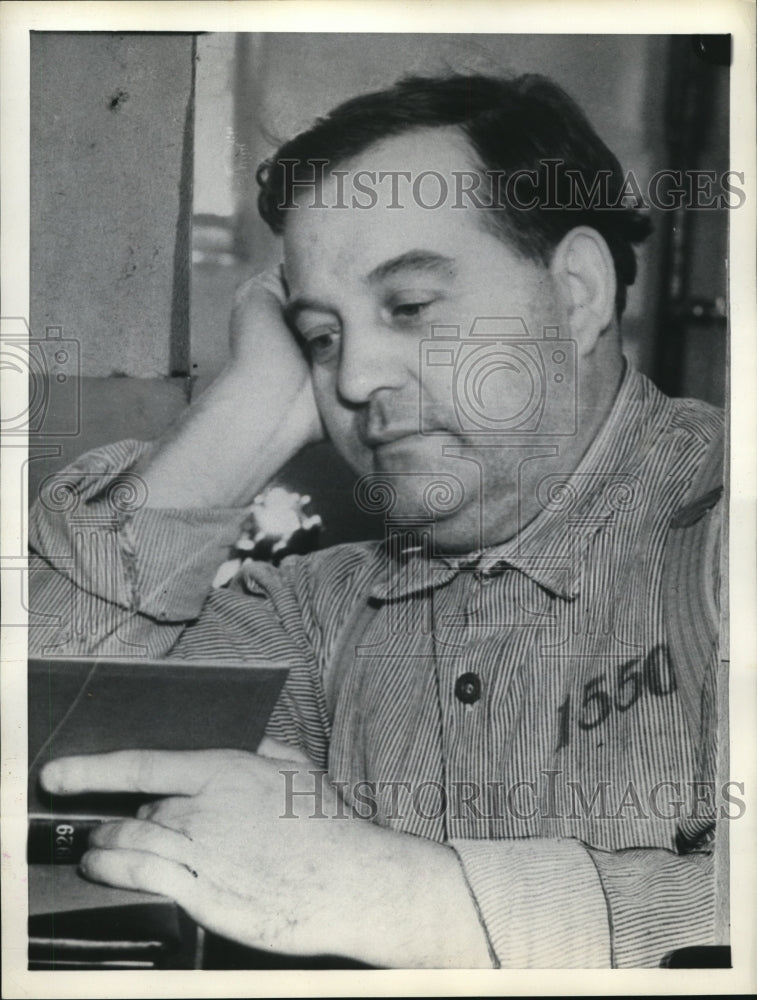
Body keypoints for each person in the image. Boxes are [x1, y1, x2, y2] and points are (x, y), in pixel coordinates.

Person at [30, 73, 726, 968]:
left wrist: (415, 901)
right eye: (322, 337)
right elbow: (35, 734)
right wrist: (242, 421)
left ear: (578, 292)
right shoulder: (317, 611)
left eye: (409, 307)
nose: (353, 379)